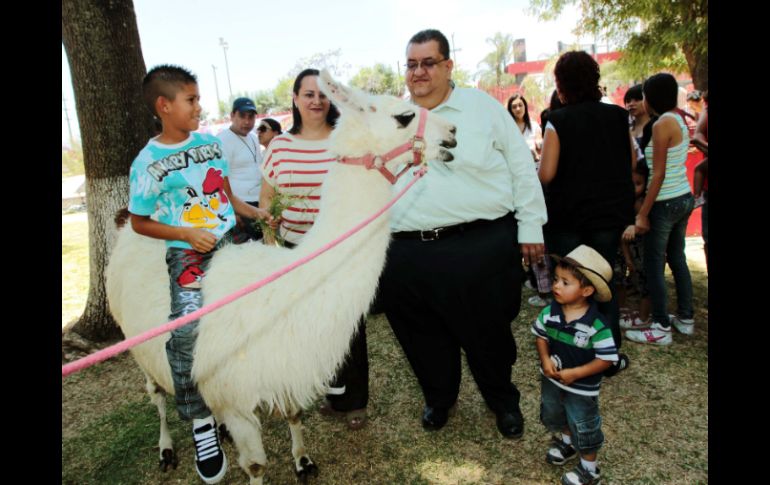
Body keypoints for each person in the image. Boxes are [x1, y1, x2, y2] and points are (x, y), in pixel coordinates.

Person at [380, 29, 547, 439]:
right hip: (407, 252)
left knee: (488, 333)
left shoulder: (481, 108)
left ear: (448, 65)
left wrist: (531, 227)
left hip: (479, 247)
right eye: (412, 64)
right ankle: (439, 398)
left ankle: (502, 401)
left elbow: (521, 168)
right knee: (420, 336)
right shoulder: (392, 119)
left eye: (428, 63)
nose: (418, 72)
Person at [128, 65, 271, 484]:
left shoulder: (210, 144)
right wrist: (185, 233)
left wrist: (255, 213)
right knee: (187, 334)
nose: (199, 106)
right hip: (188, 258)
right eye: (191, 100)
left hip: (230, 243)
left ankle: (243, 387)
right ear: (164, 105)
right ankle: (201, 423)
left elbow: (225, 195)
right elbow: (139, 221)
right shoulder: (147, 163)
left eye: (197, 98)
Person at [259, 68, 369, 430]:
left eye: (323, 94)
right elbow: (268, 196)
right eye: (309, 94)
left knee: (348, 325)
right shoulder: (279, 146)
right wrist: (270, 238)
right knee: (310, 326)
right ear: (295, 99)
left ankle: (353, 401)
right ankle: (326, 391)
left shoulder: (345, 140)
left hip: (340, 251)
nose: (317, 101)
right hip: (294, 250)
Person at [538, 50, 635, 376]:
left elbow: (546, 174)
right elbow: (631, 165)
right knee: (601, 282)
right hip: (608, 217)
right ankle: (608, 354)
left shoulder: (558, 121)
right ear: (594, 79)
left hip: (568, 218)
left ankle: (572, 351)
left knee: (569, 285)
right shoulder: (619, 117)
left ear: (561, 84)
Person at [532, 245, 618, 485]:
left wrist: (577, 373)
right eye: (556, 279)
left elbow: (606, 359)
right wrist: (545, 358)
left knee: (584, 423)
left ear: (587, 290)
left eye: (565, 282)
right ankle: (567, 443)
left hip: (581, 388)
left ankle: (590, 469)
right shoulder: (550, 312)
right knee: (555, 412)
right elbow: (540, 336)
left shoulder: (597, 325)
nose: (556, 285)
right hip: (553, 380)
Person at [625, 73, 696, 345]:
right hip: (684, 197)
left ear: (650, 97)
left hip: (665, 202)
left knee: (655, 264)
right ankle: (686, 318)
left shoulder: (660, 124)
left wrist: (643, 213)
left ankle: (660, 325)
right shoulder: (678, 118)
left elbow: (658, 174)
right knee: (677, 258)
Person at [217, 97, 263, 242]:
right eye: (242, 116)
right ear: (232, 116)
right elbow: (217, 180)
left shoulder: (254, 138)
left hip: (259, 201)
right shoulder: (222, 140)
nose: (247, 122)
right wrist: (232, 211)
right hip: (240, 205)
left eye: (251, 117)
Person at [617, 161, 652, 329]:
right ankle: (625, 309)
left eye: (638, 184)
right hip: (630, 251)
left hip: (643, 252)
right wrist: (627, 257)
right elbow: (623, 237)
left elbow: (645, 229)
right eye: (631, 183)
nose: (633, 188)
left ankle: (643, 317)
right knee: (625, 279)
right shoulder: (626, 203)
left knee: (646, 283)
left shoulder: (643, 205)